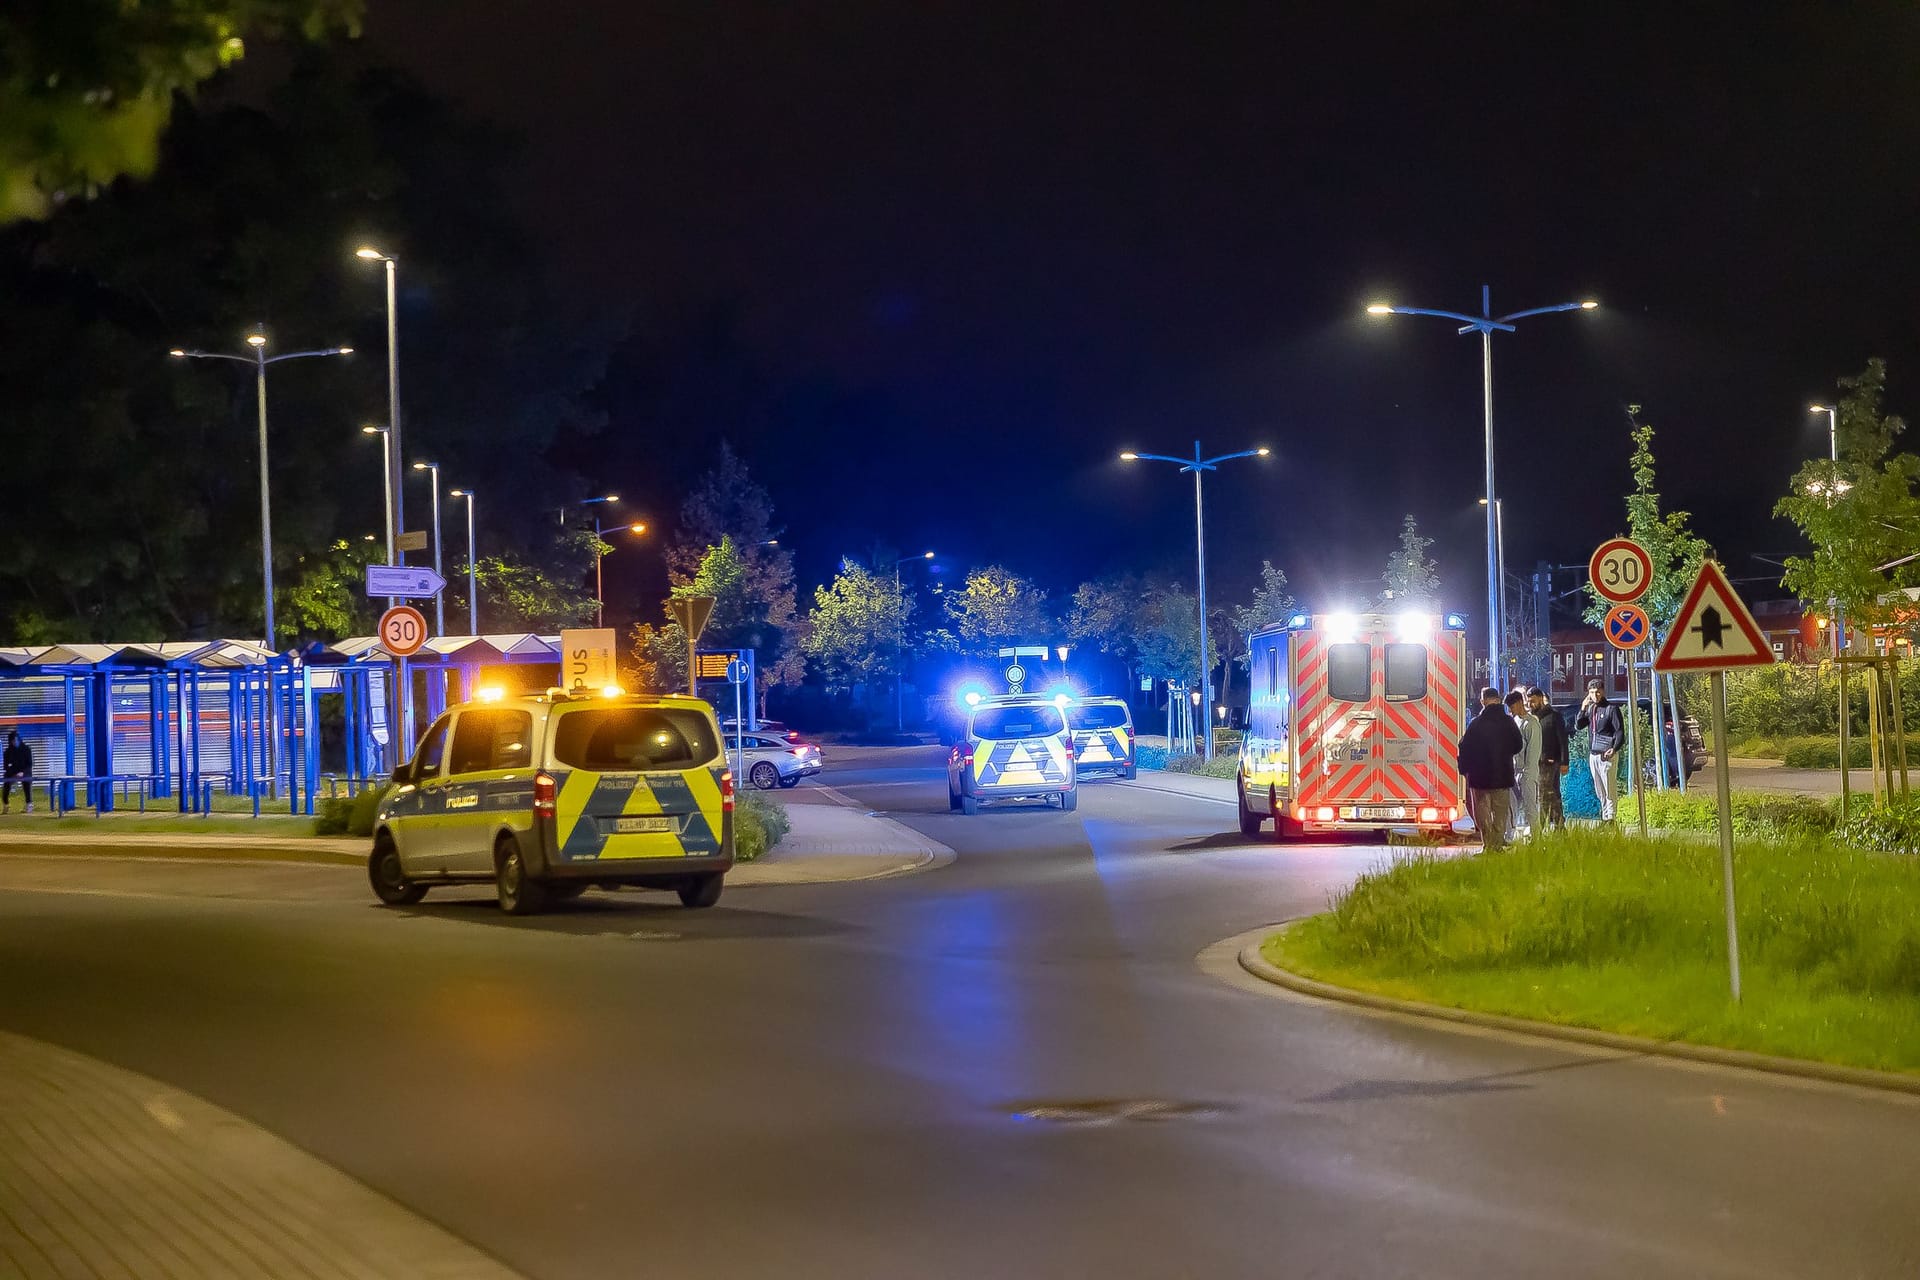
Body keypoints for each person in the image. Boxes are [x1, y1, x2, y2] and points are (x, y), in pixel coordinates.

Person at [1457, 686, 1523, 850]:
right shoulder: (1509, 722)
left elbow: (1464, 747)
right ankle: (1498, 844)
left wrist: (1464, 770)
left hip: (1480, 778)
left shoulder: (1475, 724)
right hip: (1503, 775)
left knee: (1483, 812)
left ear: (1483, 701)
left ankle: (1488, 844)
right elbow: (1518, 745)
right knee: (1501, 813)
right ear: (1499, 700)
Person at [1575, 678, 1624, 821]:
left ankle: (1611, 817)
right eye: (1591, 692)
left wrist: (1614, 748)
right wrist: (1583, 707)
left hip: (1606, 754)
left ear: (1602, 692)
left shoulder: (1611, 709)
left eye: (1597, 692)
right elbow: (1579, 725)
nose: (1595, 695)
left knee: (1609, 788)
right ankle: (1604, 816)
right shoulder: (1591, 709)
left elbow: (1619, 731)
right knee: (1599, 789)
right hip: (1594, 754)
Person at [1529, 687, 1569, 830]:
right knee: (1551, 793)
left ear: (1540, 698)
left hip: (1550, 760)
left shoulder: (1553, 716)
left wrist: (1565, 761)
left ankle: (1539, 826)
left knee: (1544, 793)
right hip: (1536, 762)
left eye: (1533, 701)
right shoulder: (1533, 718)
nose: (1530, 704)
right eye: (1529, 702)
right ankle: (1559, 825)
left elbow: (1562, 740)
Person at [1506, 689, 1541, 837]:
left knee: (1530, 806)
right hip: (1515, 771)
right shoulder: (1515, 721)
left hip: (1527, 772)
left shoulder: (1531, 723)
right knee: (1511, 805)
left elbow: (1533, 751)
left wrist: (1527, 773)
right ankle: (1510, 835)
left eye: (1512, 707)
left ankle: (1536, 836)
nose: (1511, 710)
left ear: (1520, 703)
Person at [2, 732, 31, 814]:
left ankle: (29, 804)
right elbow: (6, 766)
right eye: (13, 741)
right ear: (10, 741)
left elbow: (30, 764)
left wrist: (23, 772)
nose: (15, 742)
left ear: (19, 740)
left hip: (25, 770)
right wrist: (12, 774)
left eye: (16, 740)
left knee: (26, 782)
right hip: (13, 771)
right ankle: (6, 804)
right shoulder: (8, 751)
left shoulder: (26, 749)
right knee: (6, 783)